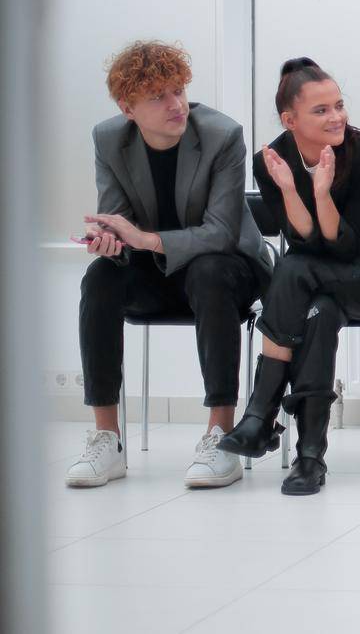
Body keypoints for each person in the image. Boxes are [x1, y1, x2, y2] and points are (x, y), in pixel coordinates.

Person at [67, 40, 272, 489]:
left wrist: (145, 239)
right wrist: (110, 242)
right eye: (158, 96)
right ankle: (107, 439)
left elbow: (220, 231)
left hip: (230, 267)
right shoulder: (108, 138)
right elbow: (118, 219)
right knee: (100, 276)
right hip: (154, 270)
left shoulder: (222, 135)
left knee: (209, 270)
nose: (176, 104)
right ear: (128, 108)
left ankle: (222, 436)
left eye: (178, 90)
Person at [217, 58, 360, 495]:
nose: (337, 117)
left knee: (292, 270)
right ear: (290, 120)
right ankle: (309, 459)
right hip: (317, 282)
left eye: (339, 105)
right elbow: (303, 241)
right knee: (318, 315)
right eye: (321, 110)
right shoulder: (271, 161)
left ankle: (260, 414)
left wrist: (321, 192)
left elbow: (343, 246)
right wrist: (289, 188)